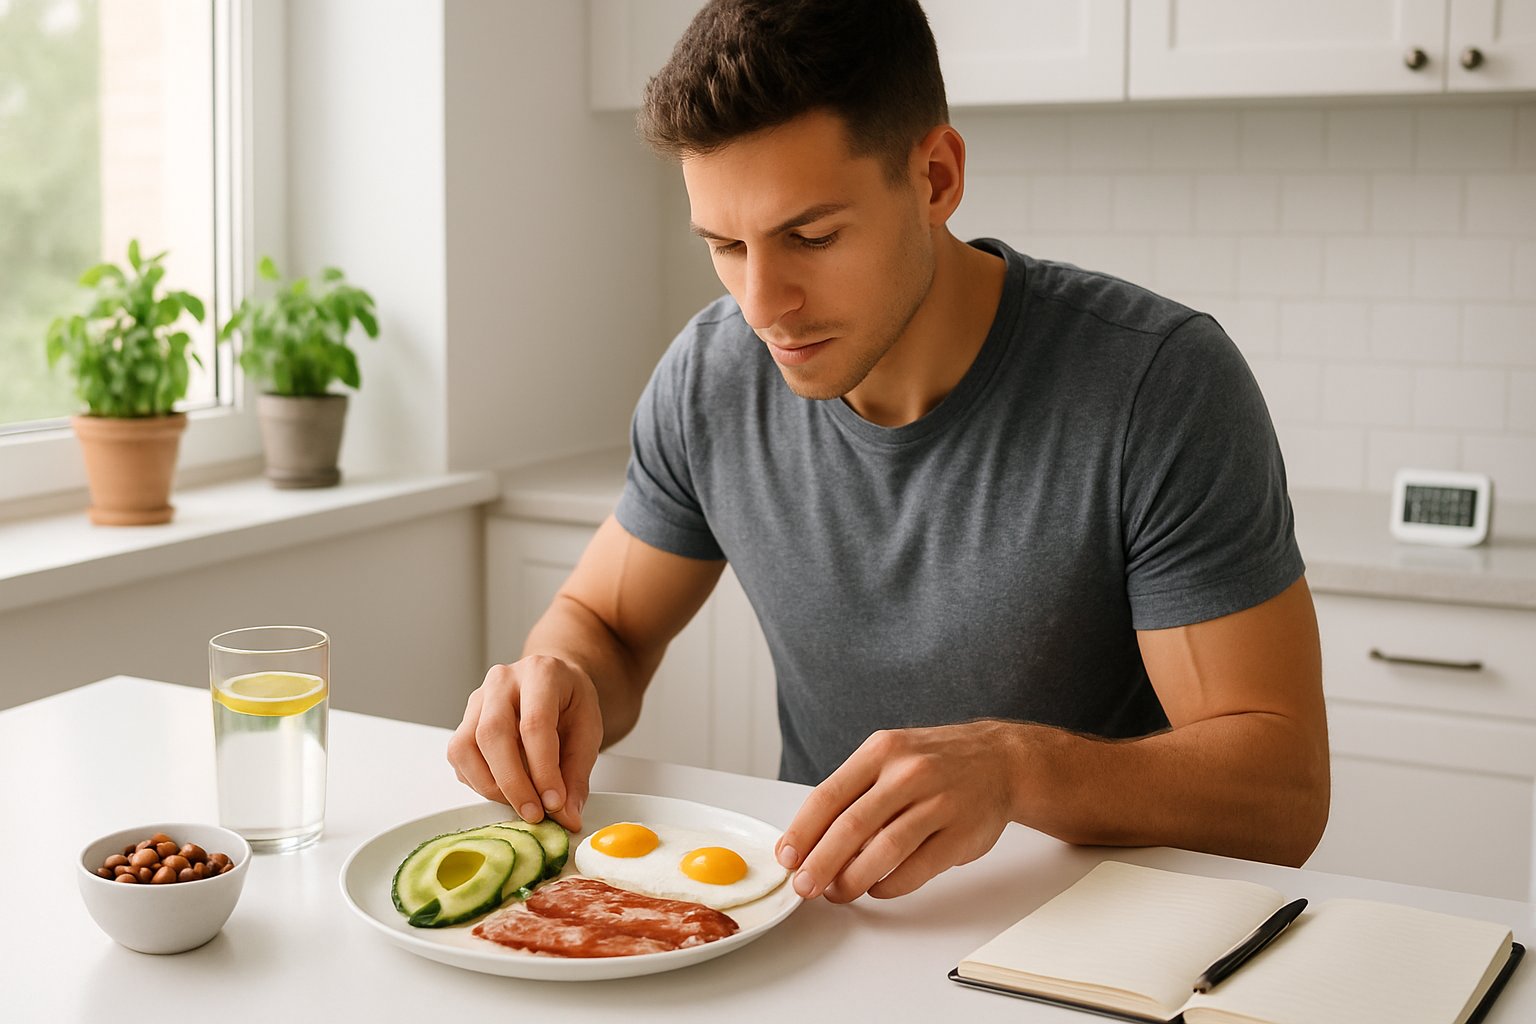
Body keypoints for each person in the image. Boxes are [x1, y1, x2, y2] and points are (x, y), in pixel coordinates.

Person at [449, 0, 1329, 905]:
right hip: (821, 922)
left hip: (1091, 937)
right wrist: (557, 678)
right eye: (725, 246)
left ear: (937, 177)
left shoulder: (1156, 383)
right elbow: (608, 625)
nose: (763, 305)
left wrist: (1018, 768)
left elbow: (1282, 793)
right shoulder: (710, 375)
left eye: (812, 237)